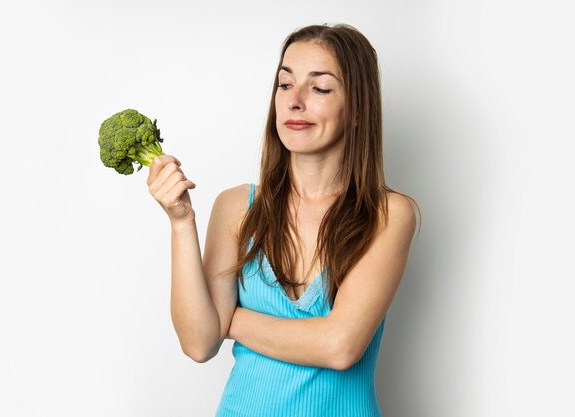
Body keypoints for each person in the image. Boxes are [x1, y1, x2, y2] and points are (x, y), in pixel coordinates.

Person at [147, 23, 421, 417]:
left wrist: (232, 318)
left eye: (320, 88)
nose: (295, 101)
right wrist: (180, 222)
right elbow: (200, 343)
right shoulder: (237, 206)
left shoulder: (389, 214)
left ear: (359, 110)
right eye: (285, 84)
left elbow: (339, 346)